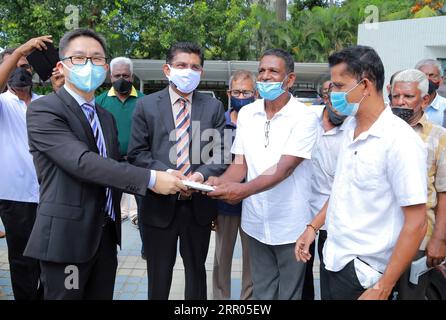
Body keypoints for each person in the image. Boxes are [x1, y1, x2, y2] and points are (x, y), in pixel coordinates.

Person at [24, 28, 185, 300]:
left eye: (97, 59)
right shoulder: (45, 110)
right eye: (79, 58)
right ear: (62, 66)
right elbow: (84, 163)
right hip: (68, 242)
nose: (89, 64)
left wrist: (165, 172)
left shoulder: (105, 117)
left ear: (105, 67)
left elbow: (116, 164)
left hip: (106, 237)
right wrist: (153, 180)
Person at [296, 46, 428, 300]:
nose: (332, 93)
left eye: (338, 85)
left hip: (367, 274)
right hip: (334, 259)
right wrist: (313, 227)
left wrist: (383, 287)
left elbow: (417, 223)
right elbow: (341, 190)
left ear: (365, 85)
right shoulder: (350, 128)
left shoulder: (399, 141)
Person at [207, 49, 319, 300]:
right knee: (262, 293)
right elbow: (240, 165)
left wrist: (241, 191)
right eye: (262, 71)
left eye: (273, 71)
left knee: (288, 294)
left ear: (290, 79)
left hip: (291, 226)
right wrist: (214, 182)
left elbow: (284, 169)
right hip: (255, 222)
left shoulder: (304, 117)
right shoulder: (248, 114)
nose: (265, 77)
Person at [127, 41, 228, 300]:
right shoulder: (146, 105)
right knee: (158, 275)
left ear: (202, 72)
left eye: (195, 67)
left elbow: (220, 153)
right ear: (167, 69)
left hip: (198, 206)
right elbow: (137, 154)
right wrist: (167, 173)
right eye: (181, 65)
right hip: (157, 206)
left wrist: (201, 175)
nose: (188, 71)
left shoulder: (213, 107)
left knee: (196, 273)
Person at [0, 36, 50, 300]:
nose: (22, 70)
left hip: (50, 193)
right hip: (16, 196)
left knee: (49, 259)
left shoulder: (45, 103)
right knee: (22, 261)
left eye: (27, 66)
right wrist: (20, 50)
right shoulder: (3, 104)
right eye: (15, 65)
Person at [390, 69, 446, 299]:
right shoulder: (380, 132)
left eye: (408, 96)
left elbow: (444, 194)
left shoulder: (439, 137)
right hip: (378, 239)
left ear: (424, 100)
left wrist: (439, 240)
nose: (400, 101)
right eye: (396, 96)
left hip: (419, 241)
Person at [212, 70, 256, 300]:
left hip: (255, 203)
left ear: (255, 93)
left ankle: (248, 301)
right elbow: (211, 163)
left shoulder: (262, 122)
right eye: (237, 91)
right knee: (222, 257)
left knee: (252, 260)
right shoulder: (219, 124)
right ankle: (221, 299)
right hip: (225, 205)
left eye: (246, 91)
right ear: (229, 93)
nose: (242, 96)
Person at [301, 80, 347, 300]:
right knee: (302, 272)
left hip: (335, 217)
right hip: (304, 212)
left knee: (330, 272)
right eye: (334, 95)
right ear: (325, 98)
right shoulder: (308, 121)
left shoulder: (354, 129)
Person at [415, 59, 446, 126]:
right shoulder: (405, 104)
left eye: (432, 75)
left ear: (441, 80)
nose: (427, 79)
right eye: (422, 75)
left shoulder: (444, 107)